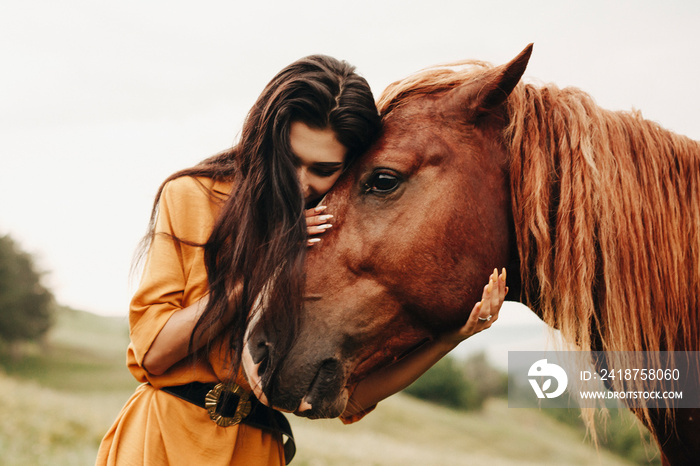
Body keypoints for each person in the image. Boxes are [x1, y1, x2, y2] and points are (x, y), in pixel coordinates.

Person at [96, 55, 507, 466]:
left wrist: (453, 337)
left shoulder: (332, 230)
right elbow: (153, 353)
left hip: (256, 452)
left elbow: (352, 400)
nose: (298, 183)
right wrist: (269, 261)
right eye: (289, 160)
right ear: (265, 138)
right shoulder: (195, 196)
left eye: (323, 169)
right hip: (161, 441)